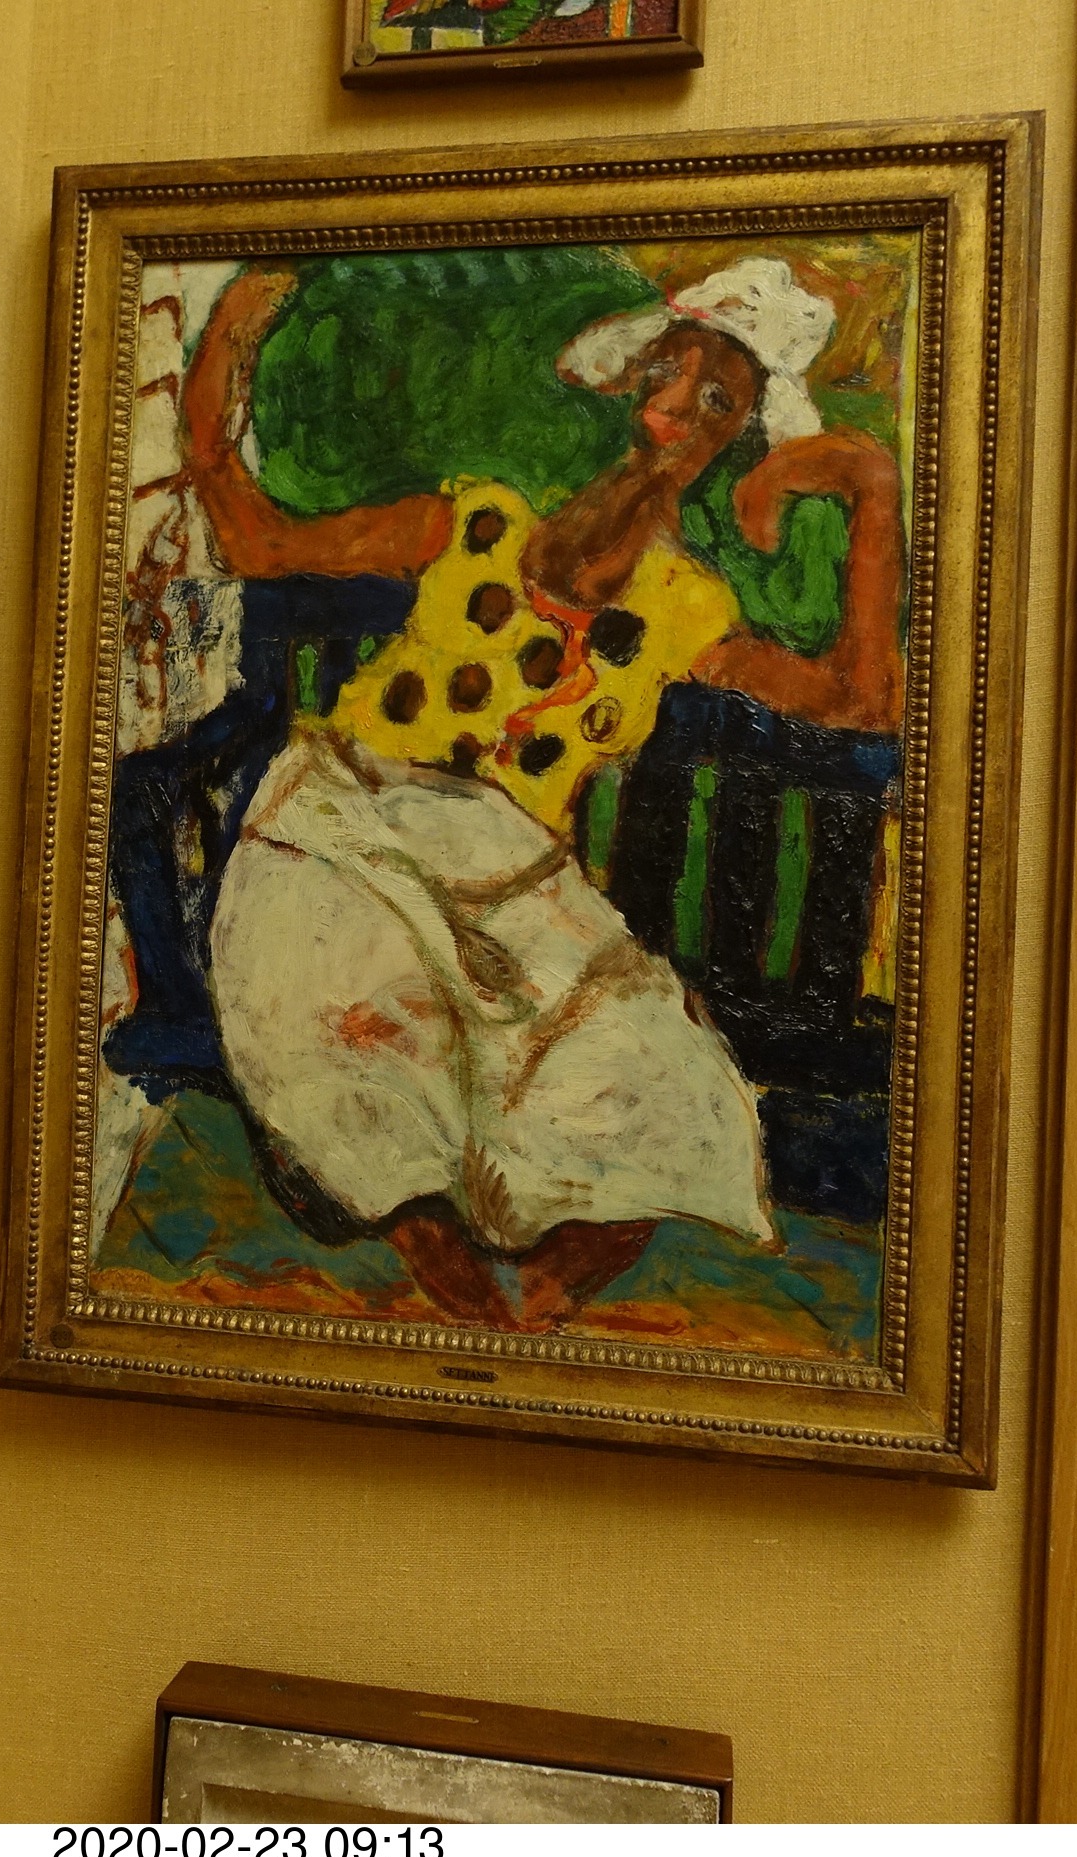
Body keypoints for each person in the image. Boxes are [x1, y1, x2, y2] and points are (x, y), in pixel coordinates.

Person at [178, 255, 906, 1331]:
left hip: (514, 884)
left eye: (718, 400)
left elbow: (863, 699)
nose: (680, 408)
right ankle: (462, 1290)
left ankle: (519, 1320)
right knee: (350, 1016)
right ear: (630, 381)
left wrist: (871, 486)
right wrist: (228, 345)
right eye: (670, 373)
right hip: (349, 824)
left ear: (737, 435)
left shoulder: (682, 608)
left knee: (668, 1082)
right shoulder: (474, 524)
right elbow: (254, 536)